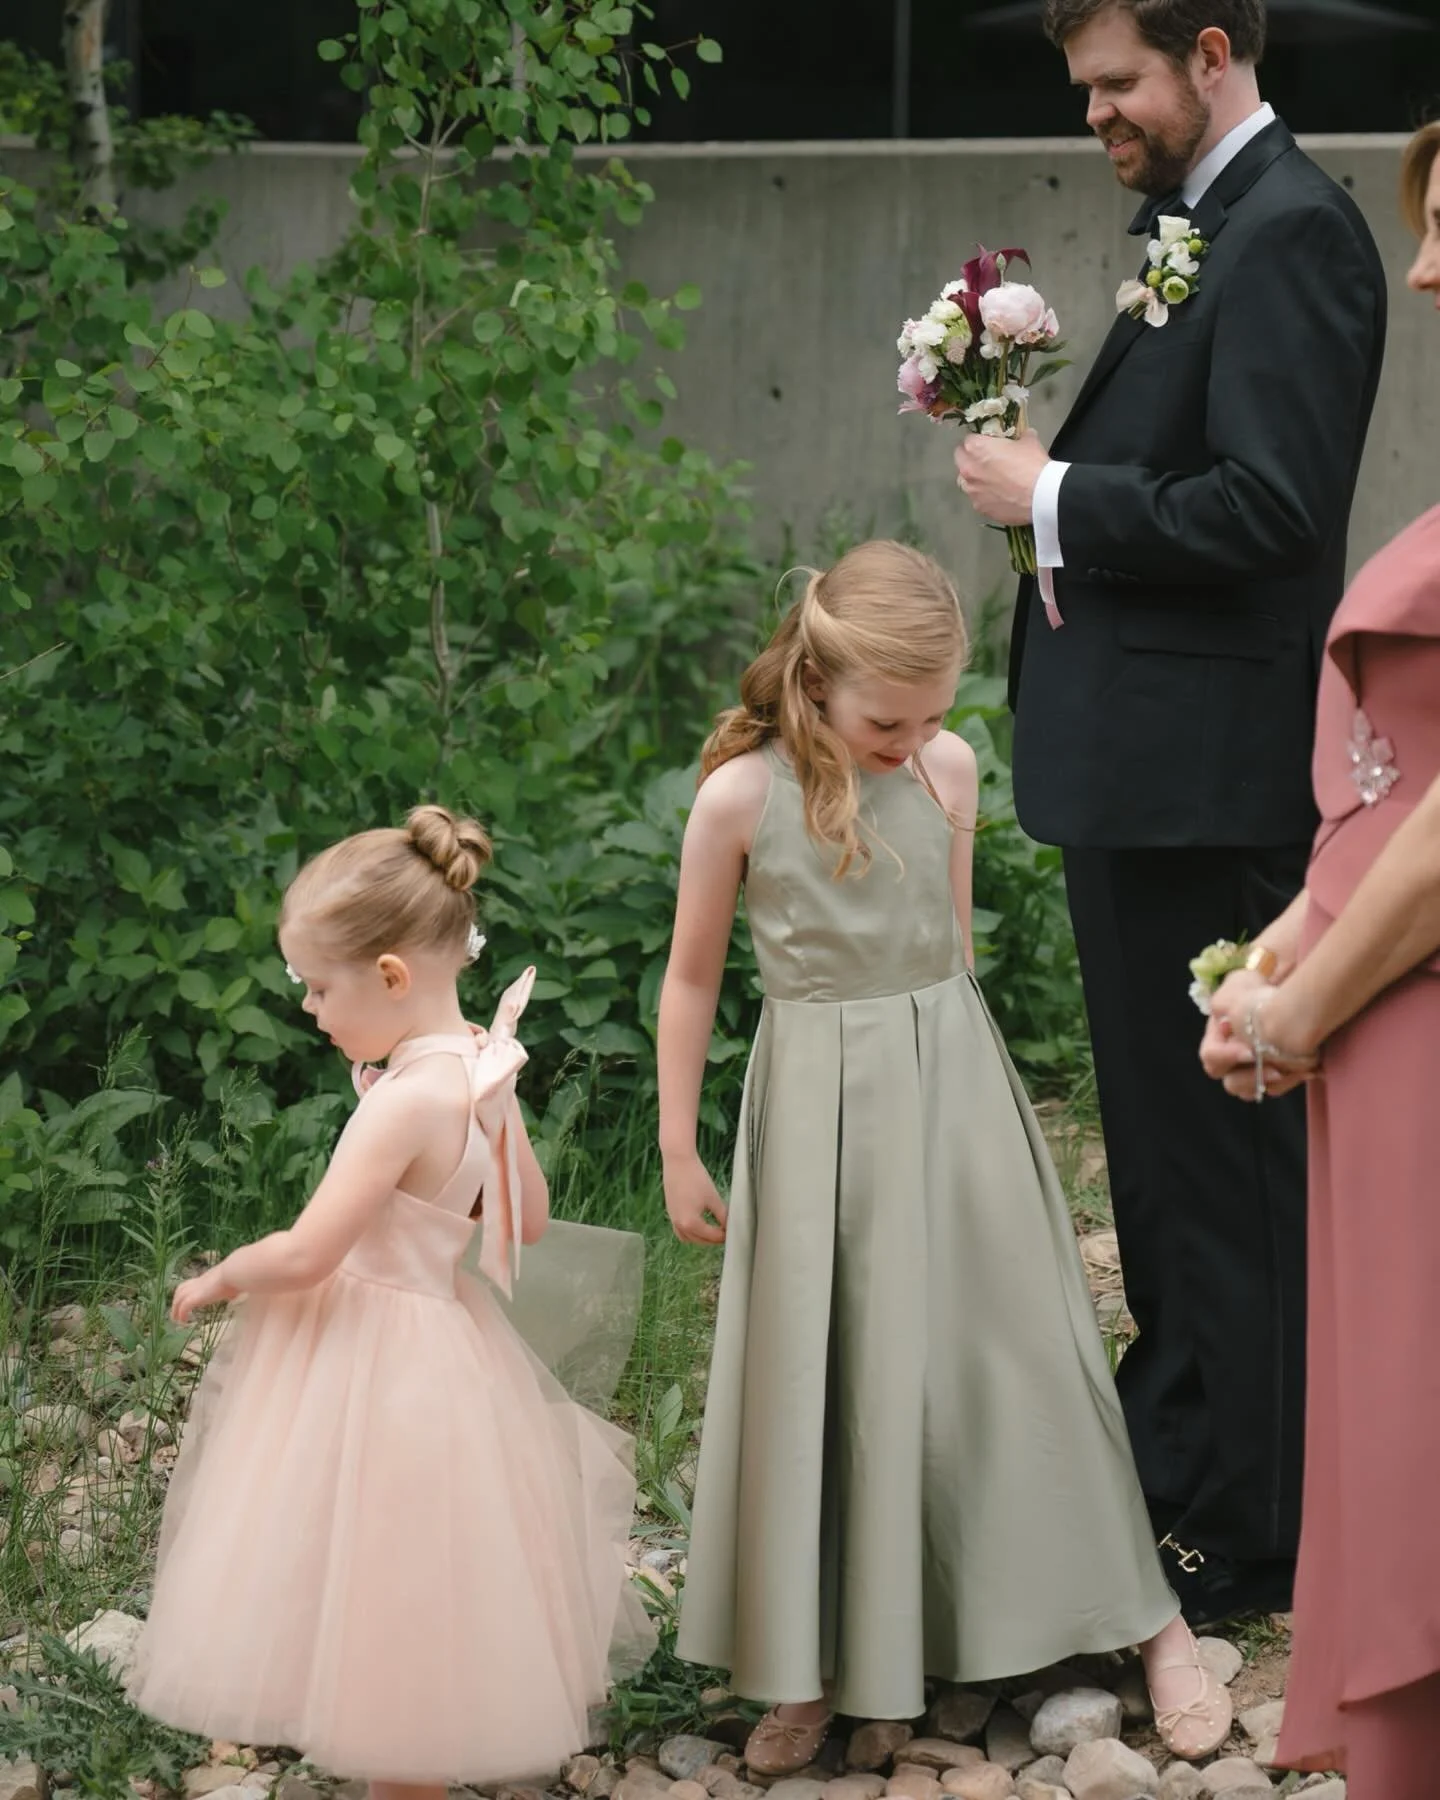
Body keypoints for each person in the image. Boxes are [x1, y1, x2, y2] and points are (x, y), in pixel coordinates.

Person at [953, 0, 1387, 1626]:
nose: (1097, 115)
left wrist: (1052, 496)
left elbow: (1273, 508)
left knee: (1221, 1167)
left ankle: (1243, 1525)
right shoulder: (1202, 224)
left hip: (1207, 788)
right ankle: (1190, 1462)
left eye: (1118, 82)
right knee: (1159, 1160)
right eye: (1085, 91)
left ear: (1213, 50)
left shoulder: (1296, 234)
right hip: (1146, 781)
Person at [657, 540, 1229, 1773]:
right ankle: (815, 1662)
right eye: (886, 719)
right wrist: (675, 1145)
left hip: (952, 1087)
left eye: (931, 716)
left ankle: (1148, 1620)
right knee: (829, 1359)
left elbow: (952, 950)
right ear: (815, 682)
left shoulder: (951, 768)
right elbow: (694, 975)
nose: (912, 741)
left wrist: (975, 1116)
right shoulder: (739, 798)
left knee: (1021, 1346)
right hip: (814, 1099)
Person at [126, 805, 652, 1796]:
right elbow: (528, 1221)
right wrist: (499, 1128)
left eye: (318, 988)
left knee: (367, 1555)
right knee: (426, 1570)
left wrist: (227, 1272)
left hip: (373, 1349)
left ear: (392, 976)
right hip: (449, 1347)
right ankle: (414, 1759)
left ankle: (398, 1768)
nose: (313, 1011)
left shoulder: (407, 1100)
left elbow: (311, 1250)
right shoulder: (480, 1074)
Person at [1198, 121, 1440, 1799]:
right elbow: (1394, 788)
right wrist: (1276, 947)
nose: (1422, 267)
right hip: (1378, 1009)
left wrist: (1307, 1000)